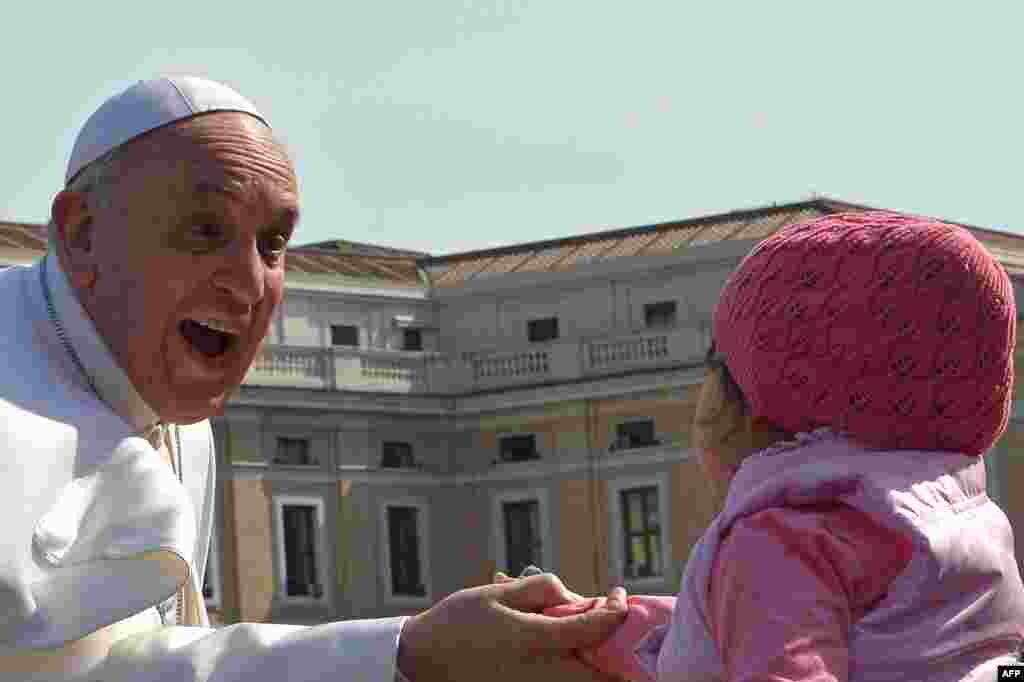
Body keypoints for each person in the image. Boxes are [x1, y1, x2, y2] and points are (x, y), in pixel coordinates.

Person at [0, 75, 628, 681]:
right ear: (83, 234)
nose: (248, 284)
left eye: (272, 244)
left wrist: (414, 651)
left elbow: (141, 664)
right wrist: (409, 651)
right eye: (205, 231)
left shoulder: (175, 419)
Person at [555, 211, 1024, 681]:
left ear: (754, 402)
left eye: (716, 360)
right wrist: (605, 622)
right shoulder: (968, 520)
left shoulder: (779, 543)